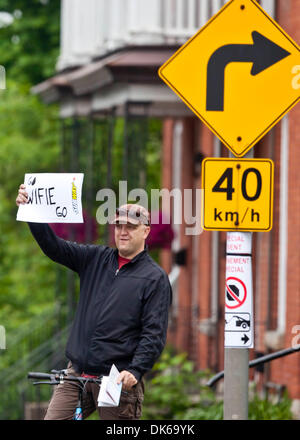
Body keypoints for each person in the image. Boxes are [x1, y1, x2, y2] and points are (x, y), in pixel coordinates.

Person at [16, 184, 172, 420]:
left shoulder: (154, 278)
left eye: (131, 226)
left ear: (146, 231)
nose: (123, 231)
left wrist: (135, 370)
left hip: (117, 381)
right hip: (77, 373)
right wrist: (31, 213)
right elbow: (54, 247)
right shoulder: (96, 259)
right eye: (119, 225)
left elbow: (154, 334)